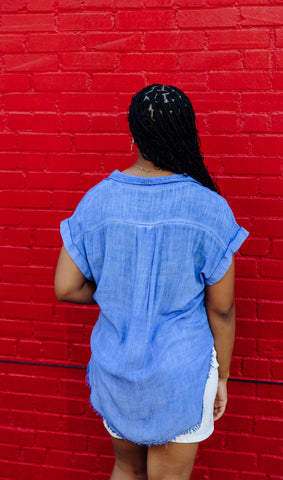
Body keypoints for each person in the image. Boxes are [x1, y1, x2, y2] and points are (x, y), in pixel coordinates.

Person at [54, 84, 249, 480]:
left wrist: (114, 293)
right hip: (183, 370)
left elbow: (66, 287)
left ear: (133, 136)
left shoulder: (98, 200)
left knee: (126, 467)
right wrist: (223, 376)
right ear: (187, 133)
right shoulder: (209, 207)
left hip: (117, 366)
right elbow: (223, 307)